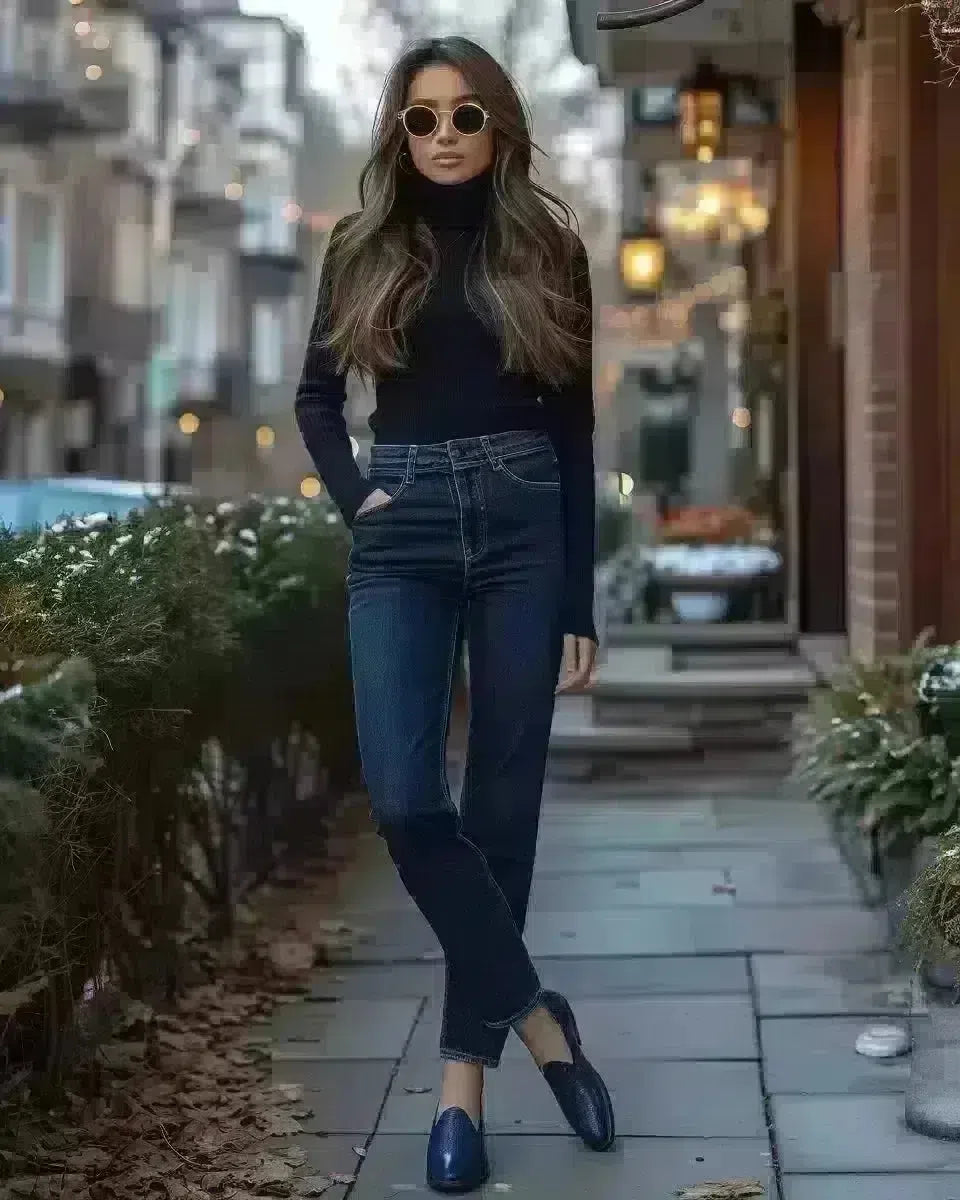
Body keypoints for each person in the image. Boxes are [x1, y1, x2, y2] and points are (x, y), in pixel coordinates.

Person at [295, 35, 614, 1194]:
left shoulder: (547, 247)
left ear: (500, 128)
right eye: (421, 118)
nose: (442, 137)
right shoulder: (360, 245)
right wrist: (359, 499)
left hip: (527, 524)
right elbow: (317, 398)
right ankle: (541, 1022)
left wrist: (579, 592)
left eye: (464, 116)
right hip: (406, 526)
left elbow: (575, 430)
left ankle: (460, 1093)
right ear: (397, 131)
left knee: (502, 809)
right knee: (406, 797)